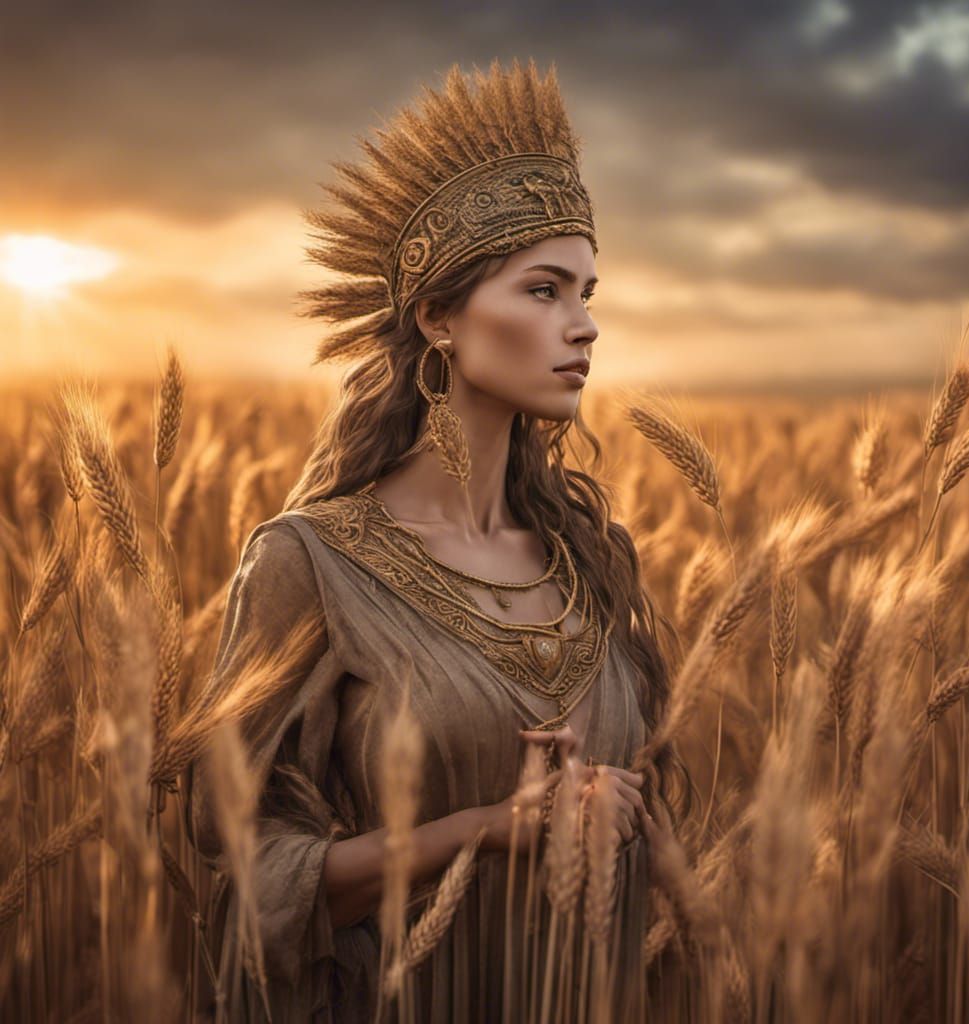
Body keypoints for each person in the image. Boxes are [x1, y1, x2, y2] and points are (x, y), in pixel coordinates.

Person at [185, 57, 690, 1022]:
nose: (584, 328)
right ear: (438, 320)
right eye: (543, 291)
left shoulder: (593, 560)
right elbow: (245, 870)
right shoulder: (310, 563)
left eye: (588, 292)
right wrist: (482, 830)